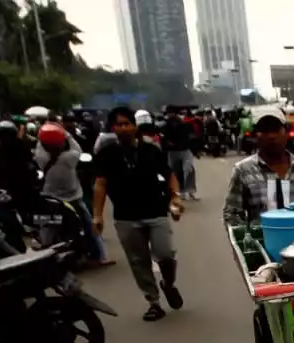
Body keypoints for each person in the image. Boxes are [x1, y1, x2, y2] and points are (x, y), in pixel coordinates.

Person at [92, 107, 185, 322]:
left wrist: (176, 197)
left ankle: (168, 284)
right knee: (138, 261)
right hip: (126, 217)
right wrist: (97, 216)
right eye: (118, 125)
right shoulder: (106, 154)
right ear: (113, 128)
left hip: (156, 211)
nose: (123, 128)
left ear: (135, 126)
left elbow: (169, 175)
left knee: (166, 254)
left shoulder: (151, 150)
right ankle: (153, 302)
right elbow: (100, 185)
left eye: (127, 123)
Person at [35, 123, 110, 267]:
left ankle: (44, 254)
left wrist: (44, 134)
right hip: (73, 199)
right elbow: (78, 148)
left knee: (46, 225)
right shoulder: (69, 157)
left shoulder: (41, 156)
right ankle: (99, 256)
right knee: (90, 228)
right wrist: (65, 133)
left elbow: (40, 143)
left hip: (50, 198)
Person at [223, 113, 294, 225]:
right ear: (255, 136)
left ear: (286, 133)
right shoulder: (243, 170)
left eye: (276, 129)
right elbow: (232, 214)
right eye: (264, 131)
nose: (271, 136)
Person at [162, 111, 197, 200]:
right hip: (175, 151)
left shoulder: (184, 124)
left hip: (182, 150)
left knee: (185, 170)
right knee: (180, 171)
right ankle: (182, 191)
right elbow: (164, 139)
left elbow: (192, 137)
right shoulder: (166, 125)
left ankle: (187, 191)